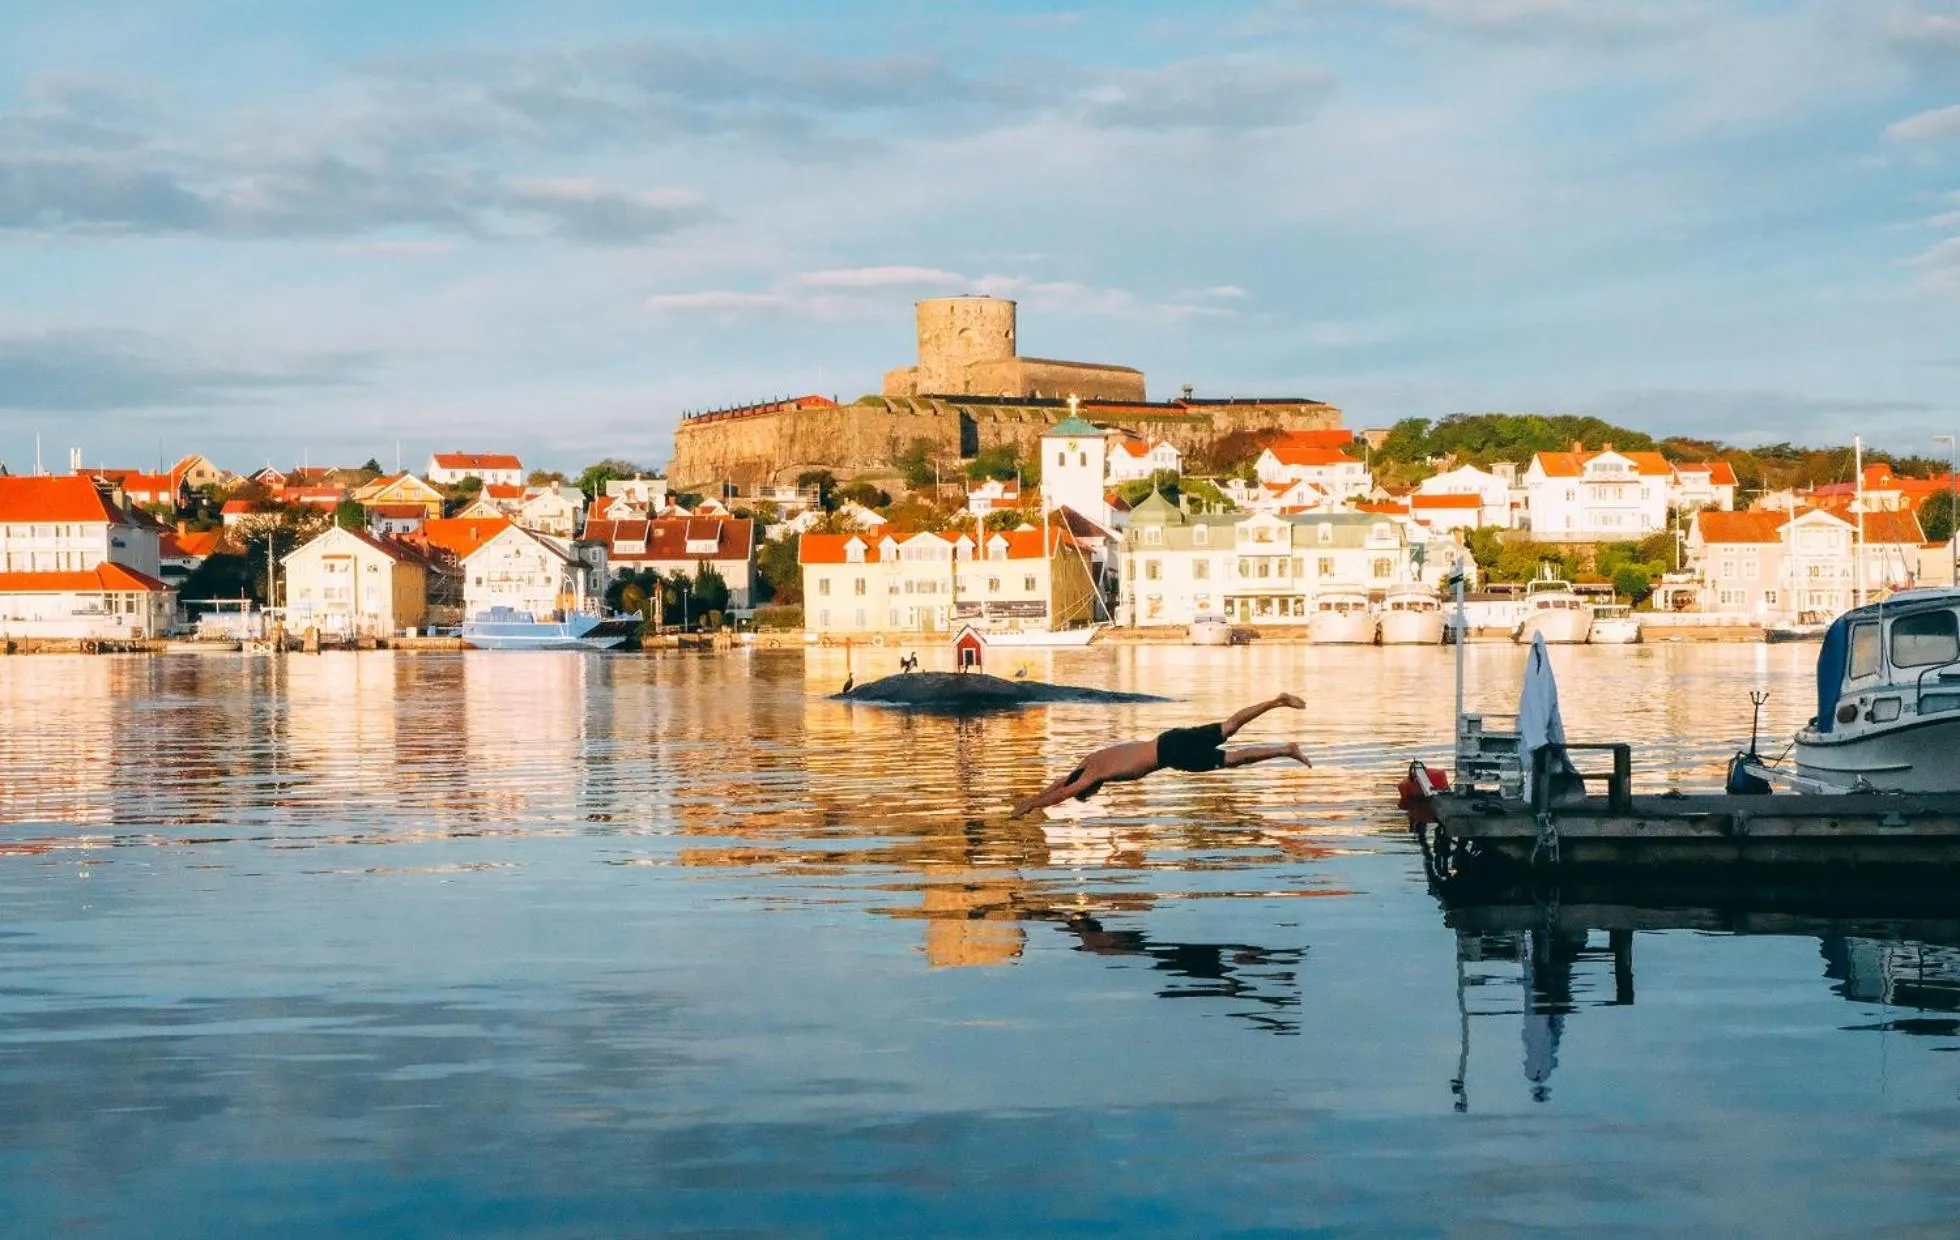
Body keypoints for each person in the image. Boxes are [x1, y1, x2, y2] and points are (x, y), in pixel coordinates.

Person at [1011, 693, 1310, 817]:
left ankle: (1285, 750)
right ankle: (1276, 702)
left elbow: (1061, 794)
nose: (1093, 791)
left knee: (1233, 759)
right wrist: (1034, 799)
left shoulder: (1094, 774)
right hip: (1169, 737)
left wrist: (1031, 806)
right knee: (1229, 726)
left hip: (1172, 754)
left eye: (1089, 793)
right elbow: (1060, 784)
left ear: (1088, 787)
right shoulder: (1090, 761)